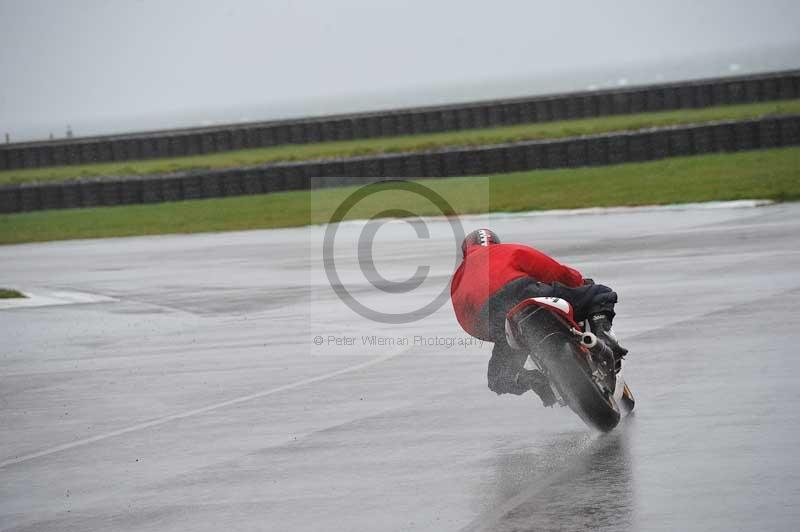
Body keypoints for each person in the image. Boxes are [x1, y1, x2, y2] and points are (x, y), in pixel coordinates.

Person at [450, 228, 627, 406]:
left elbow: (466, 321)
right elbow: (550, 269)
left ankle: (531, 380)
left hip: (497, 320)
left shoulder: (458, 277)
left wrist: (497, 335)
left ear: (466, 251)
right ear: (494, 242)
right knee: (600, 294)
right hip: (524, 293)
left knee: (498, 378)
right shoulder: (506, 250)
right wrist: (579, 283)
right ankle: (603, 335)